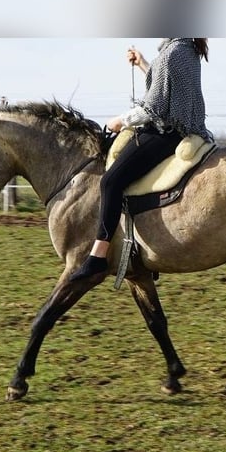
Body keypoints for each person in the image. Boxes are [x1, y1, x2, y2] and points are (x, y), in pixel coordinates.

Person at [70, 38, 212, 281]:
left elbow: (154, 107)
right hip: (181, 131)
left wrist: (120, 121)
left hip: (165, 133)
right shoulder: (186, 48)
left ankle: (98, 257)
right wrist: (144, 64)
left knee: (110, 182)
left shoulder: (173, 53)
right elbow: (166, 87)